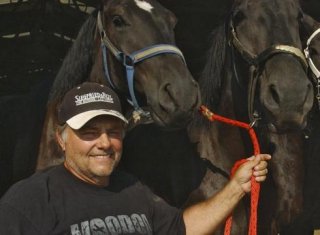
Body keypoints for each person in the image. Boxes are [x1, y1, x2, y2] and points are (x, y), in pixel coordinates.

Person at [0, 82, 271, 235]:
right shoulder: (29, 201)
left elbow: (182, 228)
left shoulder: (132, 189)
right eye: (90, 133)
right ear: (62, 139)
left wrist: (237, 187)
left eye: (113, 132)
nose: (104, 143)